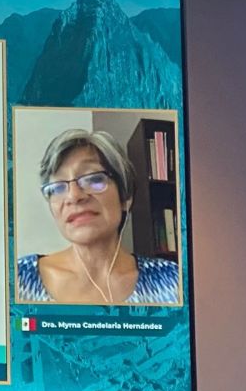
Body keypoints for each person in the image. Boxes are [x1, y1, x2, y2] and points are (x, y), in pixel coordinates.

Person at [17, 129, 179, 304]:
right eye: (57, 187)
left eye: (93, 179)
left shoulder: (173, 282)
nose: (73, 196)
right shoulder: (18, 279)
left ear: (125, 196)